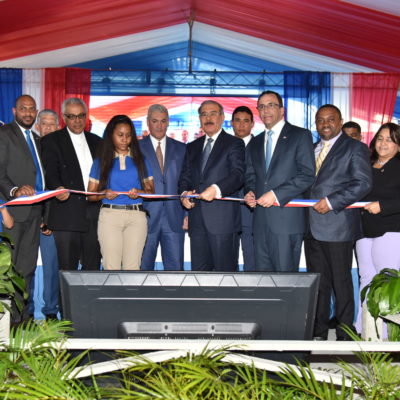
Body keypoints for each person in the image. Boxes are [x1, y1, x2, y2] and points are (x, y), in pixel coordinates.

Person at [305, 104, 372, 341]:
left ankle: (345, 332)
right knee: (319, 282)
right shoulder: (310, 149)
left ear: (340, 121)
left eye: (330, 119)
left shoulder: (355, 148)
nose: (325, 124)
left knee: (341, 282)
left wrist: (332, 202)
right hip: (310, 227)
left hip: (338, 224)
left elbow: (363, 183)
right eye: (320, 120)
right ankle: (318, 330)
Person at [245, 90, 315, 272]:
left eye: (271, 105)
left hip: (286, 222)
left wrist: (276, 195)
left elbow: (307, 175)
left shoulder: (300, 135)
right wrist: (250, 191)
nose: (266, 110)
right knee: (263, 281)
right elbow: (251, 176)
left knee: (285, 282)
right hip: (260, 224)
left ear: (282, 110)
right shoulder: (255, 141)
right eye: (261, 106)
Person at [178, 100, 245, 271]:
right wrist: (184, 194)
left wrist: (216, 189)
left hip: (223, 223)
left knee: (225, 277)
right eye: (204, 114)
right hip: (197, 222)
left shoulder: (234, 143)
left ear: (222, 117)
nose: (208, 118)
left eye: (213, 113)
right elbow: (185, 176)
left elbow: (238, 175)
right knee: (199, 277)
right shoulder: (192, 147)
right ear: (200, 119)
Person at [41, 98, 102, 271]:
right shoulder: (51, 141)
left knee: (93, 268)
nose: (77, 120)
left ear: (86, 116)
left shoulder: (97, 141)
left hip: (94, 213)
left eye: (81, 115)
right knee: (68, 270)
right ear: (63, 117)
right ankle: (66, 300)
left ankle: (90, 300)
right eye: (72, 116)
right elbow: (50, 172)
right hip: (66, 213)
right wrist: (57, 187)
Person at [87, 115, 154, 270]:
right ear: (111, 135)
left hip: (137, 216)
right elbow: (90, 195)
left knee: (133, 268)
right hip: (110, 217)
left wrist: (139, 192)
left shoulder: (141, 160)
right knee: (111, 267)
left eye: (129, 135)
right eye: (120, 135)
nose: (125, 139)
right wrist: (104, 194)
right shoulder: (100, 161)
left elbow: (151, 191)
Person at [0, 94, 45, 323]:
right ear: (14, 111)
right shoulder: (4, 134)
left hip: (34, 213)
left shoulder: (37, 140)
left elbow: (39, 176)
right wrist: (15, 190)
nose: (28, 113)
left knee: (27, 269)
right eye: (23, 108)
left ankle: (22, 318)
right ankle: (6, 321)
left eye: (32, 109)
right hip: (13, 214)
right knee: (9, 270)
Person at [355, 123, 400, 333]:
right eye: (380, 138)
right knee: (367, 279)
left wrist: (383, 206)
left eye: (390, 140)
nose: (383, 143)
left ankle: (389, 332)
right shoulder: (366, 164)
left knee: (388, 282)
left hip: (391, 231)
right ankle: (366, 328)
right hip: (364, 231)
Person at [139, 105, 186, 271]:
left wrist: (187, 214)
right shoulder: (135, 148)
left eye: (163, 121)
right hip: (144, 218)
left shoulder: (182, 149)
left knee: (175, 272)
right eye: (154, 121)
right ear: (147, 123)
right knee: (142, 271)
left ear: (168, 123)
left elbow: (187, 183)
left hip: (175, 218)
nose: (159, 125)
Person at [34, 109, 60, 320]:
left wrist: (48, 220)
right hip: (26, 218)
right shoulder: (29, 150)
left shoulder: (61, 150)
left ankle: (52, 310)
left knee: (53, 268)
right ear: (37, 126)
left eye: (52, 124)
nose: (48, 127)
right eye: (44, 123)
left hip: (54, 219)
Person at [231, 106, 256, 270]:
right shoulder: (224, 146)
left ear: (252, 124)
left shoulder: (261, 145)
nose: (241, 125)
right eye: (237, 121)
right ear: (232, 123)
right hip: (226, 213)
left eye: (246, 121)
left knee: (252, 260)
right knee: (226, 261)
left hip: (252, 213)